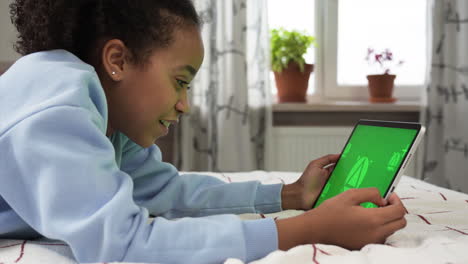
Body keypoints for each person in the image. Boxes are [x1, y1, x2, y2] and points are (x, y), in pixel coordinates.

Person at [0, 0, 407, 263]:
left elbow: (170, 194)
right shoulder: (59, 106)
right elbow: (124, 247)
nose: (185, 104)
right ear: (118, 60)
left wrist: (290, 195)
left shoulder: (110, 117)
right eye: (180, 81)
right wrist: (309, 229)